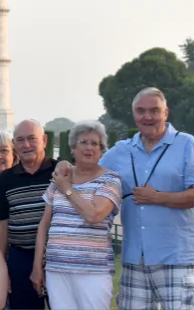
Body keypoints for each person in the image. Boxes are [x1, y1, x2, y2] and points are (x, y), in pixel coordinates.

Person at [99, 87, 194, 310]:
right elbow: (88, 171)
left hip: (176, 256)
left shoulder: (186, 144)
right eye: (141, 111)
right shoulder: (121, 150)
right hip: (135, 258)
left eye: (154, 110)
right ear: (133, 114)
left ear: (166, 113)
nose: (147, 117)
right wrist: (64, 167)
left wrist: (157, 197)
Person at [31, 120, 121, 310]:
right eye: (83, 142)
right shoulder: (60, 177)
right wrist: (37, 266)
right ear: (72, 148)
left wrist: (68, 189)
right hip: (57, 270)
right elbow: (44, 225)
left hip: (92, 271)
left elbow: (94, 216)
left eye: (95, 143)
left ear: (101, 149)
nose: (89, 148)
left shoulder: (110, 180)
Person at [0, 120, 57, 310]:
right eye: (20, 140)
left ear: (44, 140)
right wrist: (1, 268)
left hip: (57, 257)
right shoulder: (6, 178)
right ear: (14, 144)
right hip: (20, 258)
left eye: (32, 139)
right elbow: (2, 226)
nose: (26, 145)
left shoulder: (60, 172)